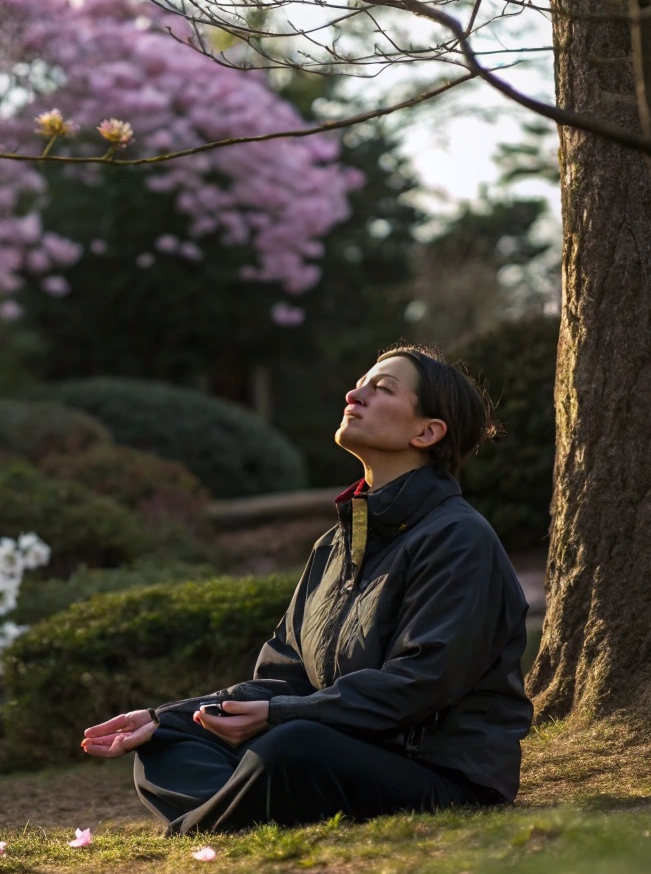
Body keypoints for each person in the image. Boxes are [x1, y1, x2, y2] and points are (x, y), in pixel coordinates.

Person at [80, 345, 532, 833]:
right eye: (361, 382)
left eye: (382, 389)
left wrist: (278, 716)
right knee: (166, 748)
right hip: (333, 749)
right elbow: (285, 677)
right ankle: (240, 814)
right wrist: (165, 717)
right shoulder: (334, 546)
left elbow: (420, 684)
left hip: (438, 776)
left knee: (290, 747)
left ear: (427, 432)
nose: (354, 394)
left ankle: (208, 826)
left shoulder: (458, 538)